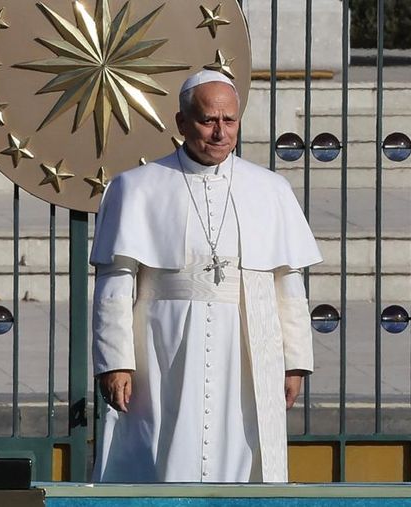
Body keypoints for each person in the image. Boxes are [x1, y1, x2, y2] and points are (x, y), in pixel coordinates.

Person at [89, 70, 321, 483]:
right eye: (207, 120)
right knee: (158, 450)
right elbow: (115, 282)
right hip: (162, 346)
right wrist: (115, 362)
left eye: (229, 121)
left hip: (247, 345)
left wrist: (295, 361)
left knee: (243, 450)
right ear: (181, 123)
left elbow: (289, 283)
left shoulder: (270, 189)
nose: (219, 133)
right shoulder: (135, 187)